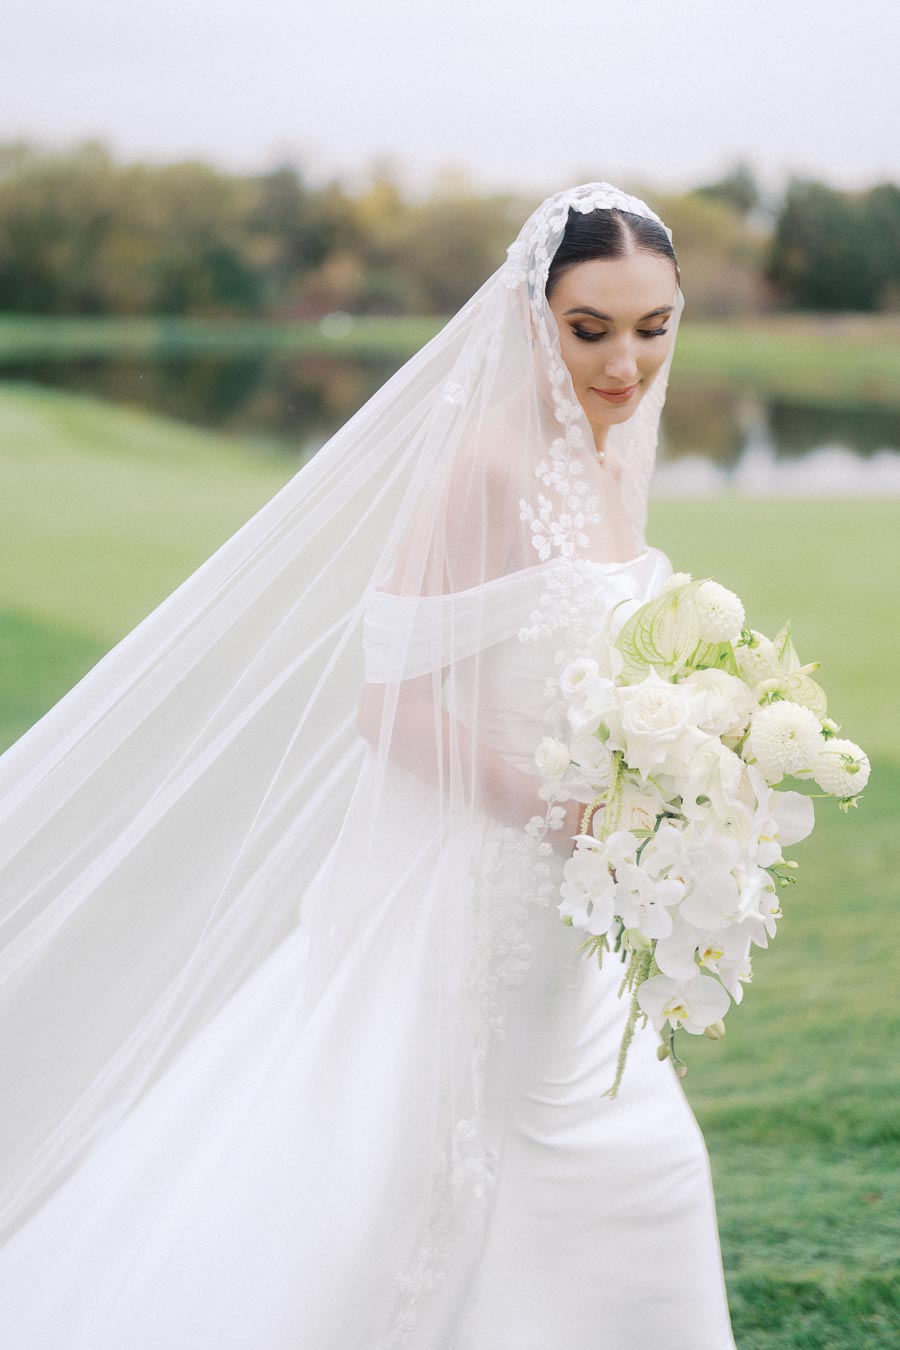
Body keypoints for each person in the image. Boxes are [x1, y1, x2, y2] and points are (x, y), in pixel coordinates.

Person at [0, 182, 739, 1348]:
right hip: (481, 882)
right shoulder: (487, 466)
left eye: (653, 327)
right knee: (432, 1165)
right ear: (531, 316)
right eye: (591, 328)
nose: (625, 363)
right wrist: (554, 807)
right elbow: (388, 703)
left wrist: (677, 761)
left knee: (634, 1158)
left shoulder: (615, 453)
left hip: (582, 899)